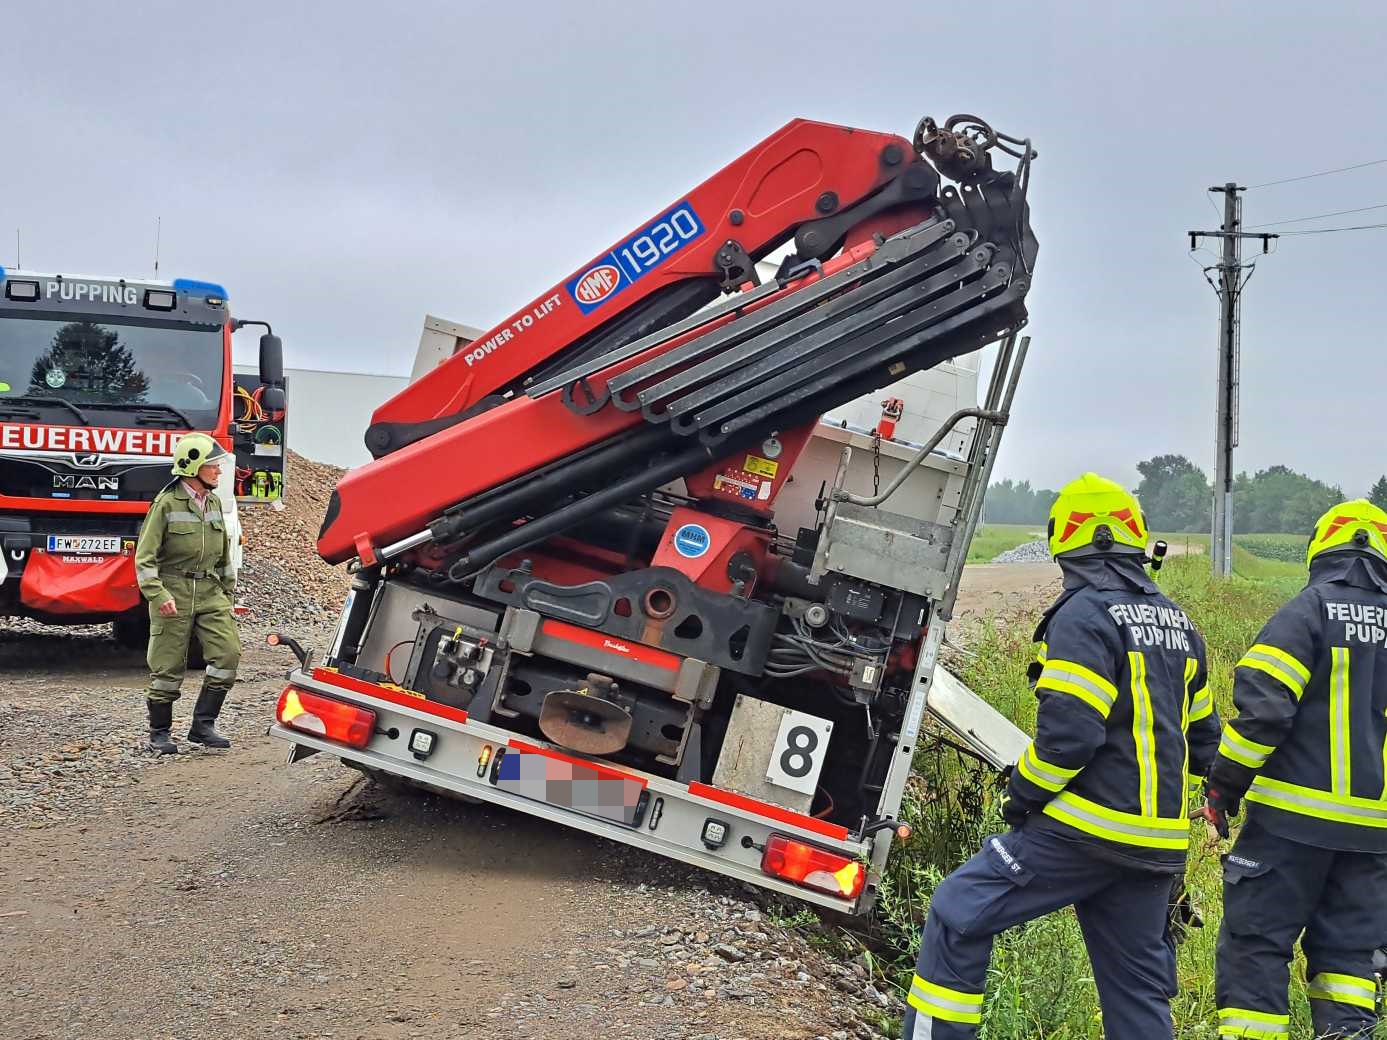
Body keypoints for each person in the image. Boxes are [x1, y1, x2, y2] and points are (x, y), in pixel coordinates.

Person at [902, 473, 1221, 1040]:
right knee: (1137, 993)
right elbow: (1204, 748)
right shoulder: (1181, 624)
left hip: (1082, 836)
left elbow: (1070, 741)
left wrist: (1019, 794)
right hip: (1158, 848)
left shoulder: (1083, 617)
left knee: (957, 910)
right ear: (1135, 540)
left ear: (1069, 542)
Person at [1199, 499, 1387, 1040]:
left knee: (1256, 947)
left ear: (1322, 550)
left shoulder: (1309, 611)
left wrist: (1222, 790)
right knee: (1350, 960)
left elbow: (1262, 712)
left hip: (1288, 827)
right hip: (1372, 839)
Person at [134, 433, 240, 754]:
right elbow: (145, 558)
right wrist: (157, 593)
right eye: (213, 466)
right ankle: (160, 733)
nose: (219, 472)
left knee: (227, 655)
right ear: (193, 467)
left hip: (210, 591)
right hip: (173, 591)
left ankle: (202, 726)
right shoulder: (165, 505)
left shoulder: (215, 502)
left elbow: (223, 556)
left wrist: (227, 596)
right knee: (167, 666)